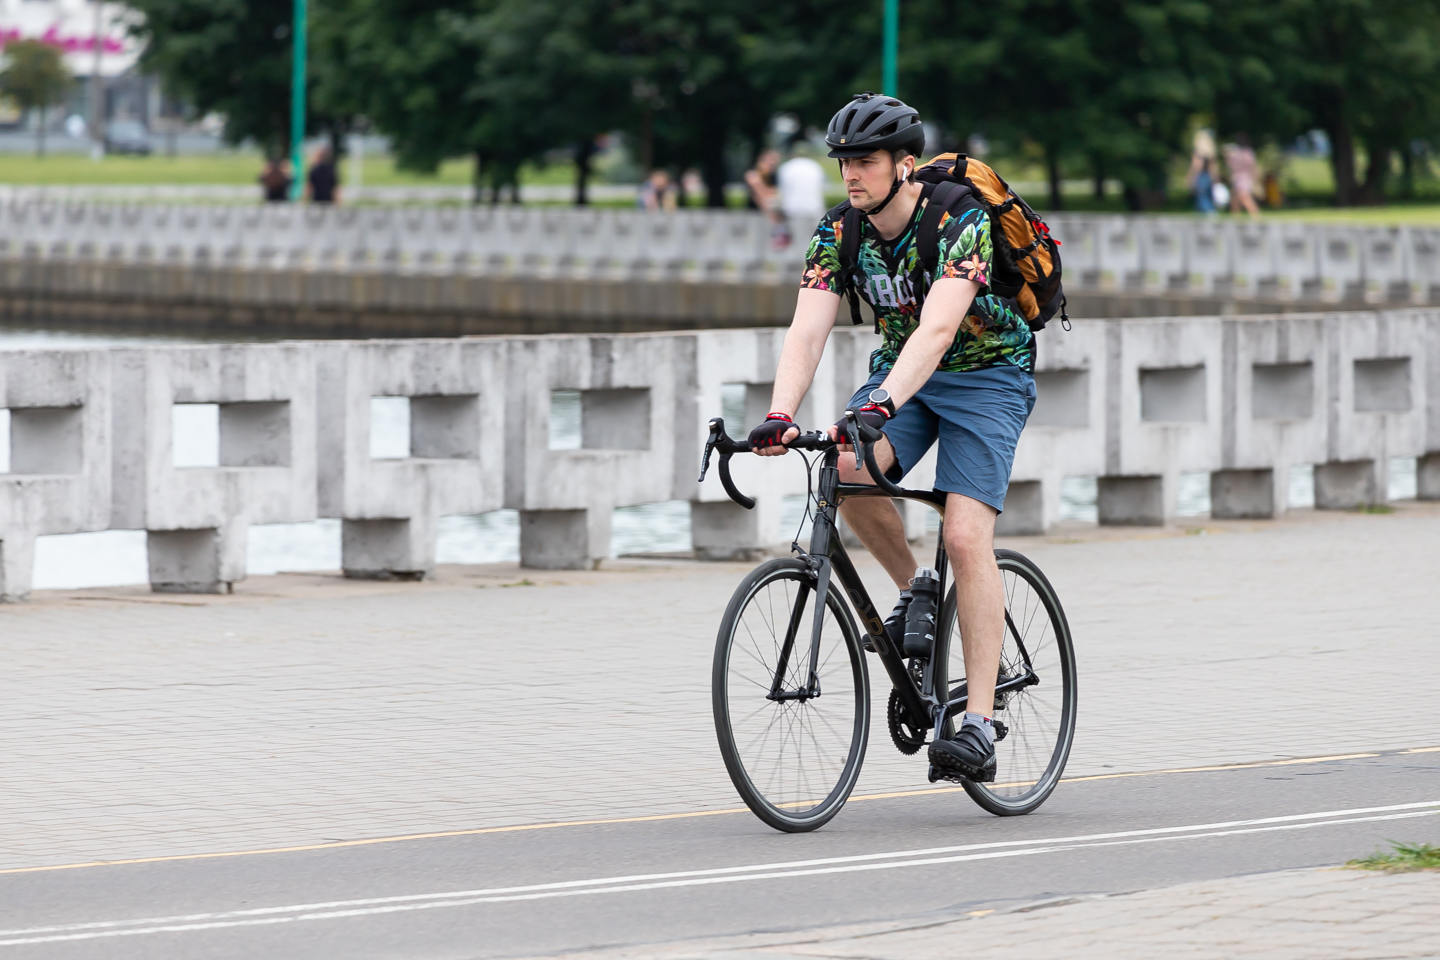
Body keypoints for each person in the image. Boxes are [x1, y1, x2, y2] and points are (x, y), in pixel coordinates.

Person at [746, 93, 1036, 784]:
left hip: (988, 377)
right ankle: (920, 587)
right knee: (843, 470)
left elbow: (939, 328)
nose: (851, 174)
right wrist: (781, 414)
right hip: (903, 379)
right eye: (844, 162)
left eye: (866, 161)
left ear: (905, 165)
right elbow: (808, 328)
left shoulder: (959, 220)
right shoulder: (838, 233)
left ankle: (979, 724)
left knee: (968, 536)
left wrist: (880, 400)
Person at [745, 148, 790, 248]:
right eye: (771, 164)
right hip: (756, 213)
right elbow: (762, 193)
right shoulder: (752, 175)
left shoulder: (772, 177)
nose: (772, 167)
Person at [1223, 134, 1260, 219]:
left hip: (1244, 177)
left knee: (1244, 196)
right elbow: (1230, 165)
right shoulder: (1235, 152)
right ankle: (1236, 215)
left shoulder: (1247, 152)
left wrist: (1255, 178)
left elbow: (1252, 166)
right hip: (1237, 177)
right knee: (1235, 198)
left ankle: (1255, 214)